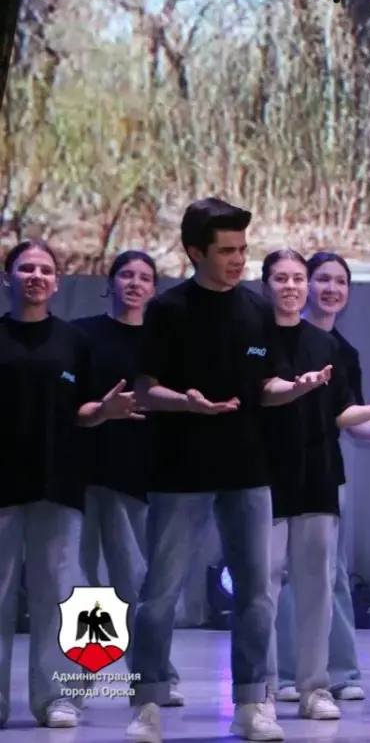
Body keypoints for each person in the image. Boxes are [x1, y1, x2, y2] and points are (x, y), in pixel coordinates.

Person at [126, 198, 334, 743]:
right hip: (179, 470)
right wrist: (186, 402)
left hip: (248, 469)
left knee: (256, 594)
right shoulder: (167, 310)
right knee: (160, 593)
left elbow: (267, 386)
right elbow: (145, 389)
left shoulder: (256, 310)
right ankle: (147, 702)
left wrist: (297, 388)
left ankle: (251, 702)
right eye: (226, 251)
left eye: (243, 249)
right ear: (195, 252)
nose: (239, 259)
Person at [258, 249, 370, 721]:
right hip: (265, 477)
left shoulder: (336, 350)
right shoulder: (255, 337)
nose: (327, 289)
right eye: (316, 279)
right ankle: (265, 685)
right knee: (264, 586)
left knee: (323, 582)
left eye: (339, 281)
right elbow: (263, 394)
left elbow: (346, 417)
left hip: (320, 476)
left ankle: (323, 681)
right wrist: (297, 387)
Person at [0, 241, 142, 730]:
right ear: (8, 277)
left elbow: (83, 409)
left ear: (57, 282)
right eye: (26, 268)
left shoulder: (73, 341)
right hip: (1, 487)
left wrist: (103, 411)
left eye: (45, 269)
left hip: (59, 484)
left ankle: (57, 699)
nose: (36, 276)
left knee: (57, 596)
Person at [74, 251, 182, 702]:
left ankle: (152, 673)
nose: (135, 283)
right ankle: (81, 678)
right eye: (126, 275)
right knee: (86, 585)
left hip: (144, 473)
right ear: (111, 282)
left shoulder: (163, 342)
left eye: (144, 277)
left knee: (139, 580)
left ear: (154, 289)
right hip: (85, 470)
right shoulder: (82, 334)